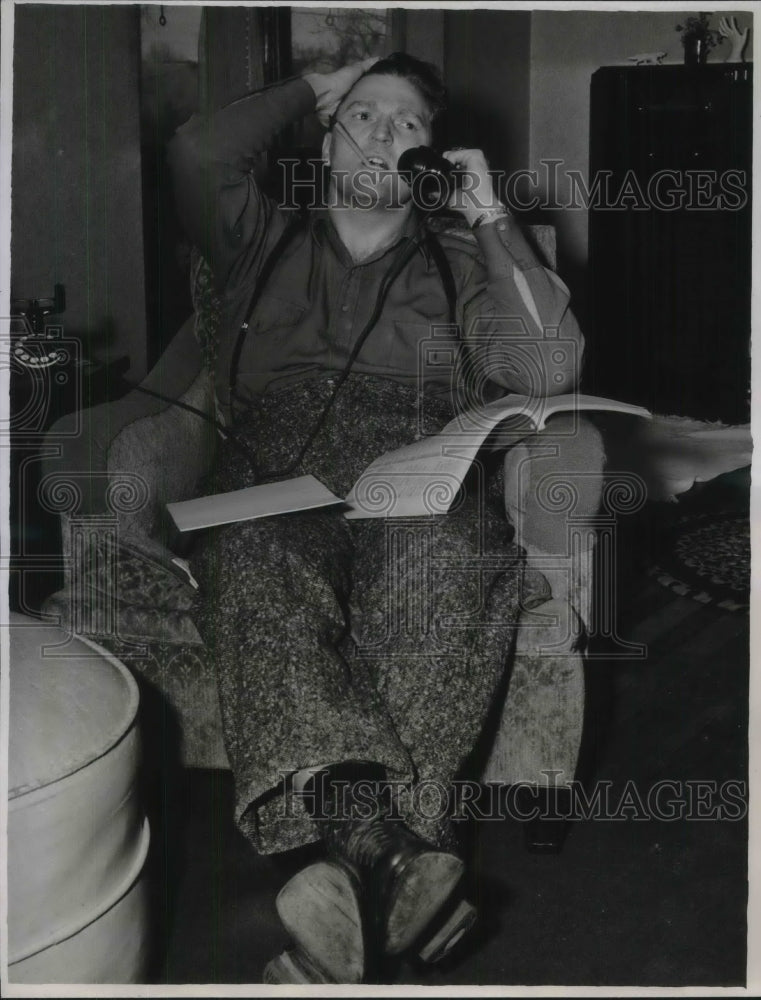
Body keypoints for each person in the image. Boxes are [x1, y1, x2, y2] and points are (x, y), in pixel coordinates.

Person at [168, 53, 588, 981]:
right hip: (273, 470)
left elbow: (548, 369)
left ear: (431, 155)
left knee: (450, 559)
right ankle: (388, 858)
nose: (383, 136)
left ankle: (326, 884)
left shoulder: (459, 257)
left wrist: (487, 214)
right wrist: (316, 88)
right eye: (363, 116)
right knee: (254, 553)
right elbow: (198, 151)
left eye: (407, 125)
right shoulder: (256, 233)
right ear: (325, 135)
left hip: (412, 466)